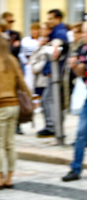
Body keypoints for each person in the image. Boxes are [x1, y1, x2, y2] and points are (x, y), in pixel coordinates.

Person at [0, 32, 31, 189]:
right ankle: (9, 178)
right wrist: (30, 99)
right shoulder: (11, 58)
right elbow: (21, 81)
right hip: (14, 105)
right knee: (10, 143)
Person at [37, 9, 69, 138]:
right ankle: (54, 126)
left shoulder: (60, 31)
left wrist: (55, 45)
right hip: (54, 72)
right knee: (50, 99)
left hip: (56, 73)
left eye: (51, 18)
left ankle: (52, 126)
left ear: (58, 18)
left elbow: (59, 43)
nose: (49, 21)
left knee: (48, 99)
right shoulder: (55, 31)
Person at [63, 20, 87, 181]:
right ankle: (75, 168)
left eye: (85, 32)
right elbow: (81, 72)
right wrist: (75, 66)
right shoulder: (83, 49)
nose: (83, 35)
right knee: (80, 133)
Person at [20, 22, 41, 91]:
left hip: (39, 63)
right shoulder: (26, 40)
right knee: (29, 84)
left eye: (36, 29)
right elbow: (21, 54)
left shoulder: (42, 40)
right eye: (33, 30)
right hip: (29, 64)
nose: (34, 32)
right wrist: (26, 62)